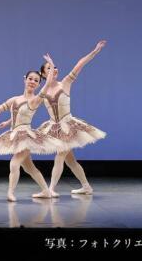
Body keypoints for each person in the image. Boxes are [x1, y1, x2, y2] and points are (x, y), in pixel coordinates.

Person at [0, 55, 63, 201]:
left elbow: (46, 86)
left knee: (14, 164)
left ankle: (10, 193)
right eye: (30, 79)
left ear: (38, 84)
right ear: (24, 79)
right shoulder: (15, 99)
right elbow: (0, 109)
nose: (32, 82)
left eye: (36, 80)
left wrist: (51, 65)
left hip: (26, 136)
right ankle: (46, 191)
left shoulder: (36, 100)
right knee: (29, 167)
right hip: (14, 134)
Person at [37, 40, 107, 196]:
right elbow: (29, 108)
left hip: (68, 126)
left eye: (54, 67)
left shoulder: (65, 83)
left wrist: (95, 51)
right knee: (71, 161)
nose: (54, 69)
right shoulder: (43, 92)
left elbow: (80, 63)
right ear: (43, 74)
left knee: (60, 155)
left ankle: (50, 189)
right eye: (49, 68)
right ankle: (86, 187)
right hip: (53, 128)